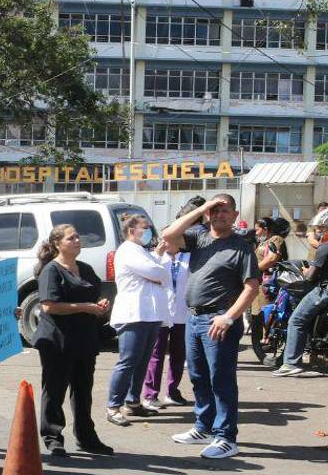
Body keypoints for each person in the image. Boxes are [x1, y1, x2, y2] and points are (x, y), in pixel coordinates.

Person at [161, 194, 260, 460]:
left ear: (235, 215)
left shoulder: (241, 247)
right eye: (214, 211)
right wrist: (202, 208)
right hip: (194, 318)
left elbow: (251, 287)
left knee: (221, 380)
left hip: (219, 321)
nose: (219, 215)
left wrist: (229, 317)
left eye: (225, 210)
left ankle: (226, 437)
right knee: (198, 376)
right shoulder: (200, 238)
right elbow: (169, 236)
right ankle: (203, 427)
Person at [32, 224, 111, 458]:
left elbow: (96, 294)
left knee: (83, 390)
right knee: (55, 389)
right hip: (58, 340)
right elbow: (48, 306)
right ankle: (52, 436)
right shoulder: (52, 270)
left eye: (78, 236)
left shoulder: (85, 269)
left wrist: (100, 304)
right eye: (71, 237)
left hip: (84, 338)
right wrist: (85, 308)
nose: (77, 240)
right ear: (58, 244)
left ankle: (86, 436)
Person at [106, 214, 168, 428]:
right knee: (128, 360)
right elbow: (156, 271)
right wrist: (158, 272)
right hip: (133, 314)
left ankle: (132, 401)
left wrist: (158, 271)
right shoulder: (127, 250)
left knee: (142, 361)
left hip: (150, 314)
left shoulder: (142, 251)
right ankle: (113, 406)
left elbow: (160, 271)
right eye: (145, 227)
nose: (150, 230)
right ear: (132, 230)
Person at [274, 209, 328, 377]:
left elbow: (311, 276)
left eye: (323, 229)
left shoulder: (327, 247)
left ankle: (291, 363)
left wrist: (306, 270)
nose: (320, 232)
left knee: (296, 320)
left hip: (324, 290)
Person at [141, 227, 192, 411]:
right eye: (164, 238)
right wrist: (158, 254)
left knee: (178, 354)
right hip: (160, 312)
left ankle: (172, 391)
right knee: (156, 354)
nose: (167, 242)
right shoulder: (154, 257)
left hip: (182, 313)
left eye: (172, 238)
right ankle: (150, 394)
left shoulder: (188, 258)